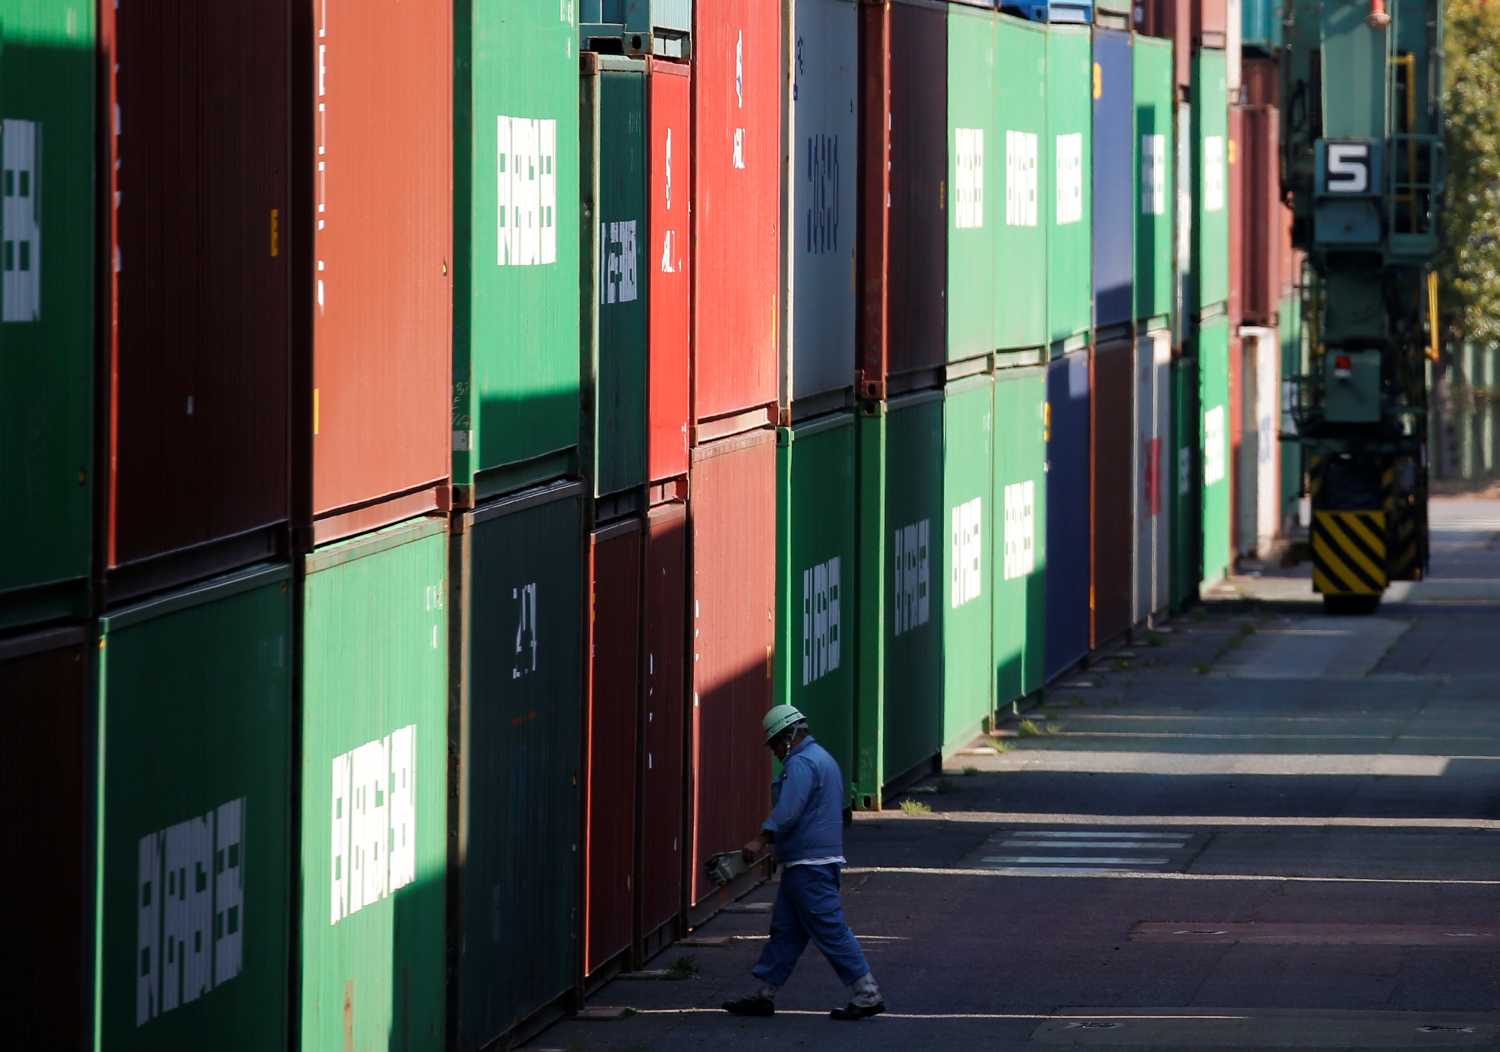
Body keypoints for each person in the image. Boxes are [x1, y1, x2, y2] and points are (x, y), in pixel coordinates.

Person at [722, 704, 886, 1021]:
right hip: (808, 862)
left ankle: (868, 993)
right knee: (786, 931)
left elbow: (788, 810)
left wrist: (760, 839)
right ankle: (764, 994)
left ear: (787, 736)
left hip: (810, 864)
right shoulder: (823, 759)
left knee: (830, 928)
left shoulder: (801, 764)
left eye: (773, 744)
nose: (773, 751)